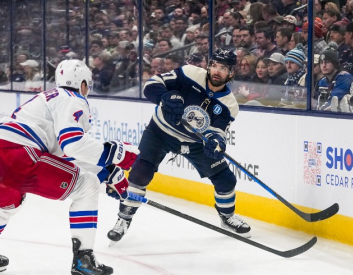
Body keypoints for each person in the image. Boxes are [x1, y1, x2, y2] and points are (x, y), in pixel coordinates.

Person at [0, 60, 139, 275]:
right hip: (18, 153)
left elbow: (60, 155)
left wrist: (107, 171)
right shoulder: (73, 99)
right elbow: (74, 145)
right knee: (88, 186)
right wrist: (120, 155)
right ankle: (83, 259)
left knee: (8, 205)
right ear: (82, 83)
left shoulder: (48, 99)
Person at [107, 48, 252, 244]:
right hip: (160, 132)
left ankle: (227, 217)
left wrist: (216, 143)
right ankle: (123, 220)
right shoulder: (190, 73)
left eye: (223, 68)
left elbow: (218, 131)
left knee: (226, 180)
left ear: (232, 73)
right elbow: (152, 84)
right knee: (140, 173)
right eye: (214, 66)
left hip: (195, 143)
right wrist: (165, 98)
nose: (217, 71)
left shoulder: (230, 104)